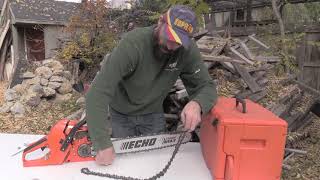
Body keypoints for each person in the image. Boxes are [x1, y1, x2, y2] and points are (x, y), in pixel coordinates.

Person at [85, 5, 217, 166]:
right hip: (122, 113)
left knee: (154, 163)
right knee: (125, 164)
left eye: (178, 42)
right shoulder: (133, 45)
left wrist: (197, 103)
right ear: (160, 21)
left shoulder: (186, 51)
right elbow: (97, 93)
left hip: (153, 114)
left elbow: (207, 87)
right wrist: (101, 143)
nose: (171, 46)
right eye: (169, 37)